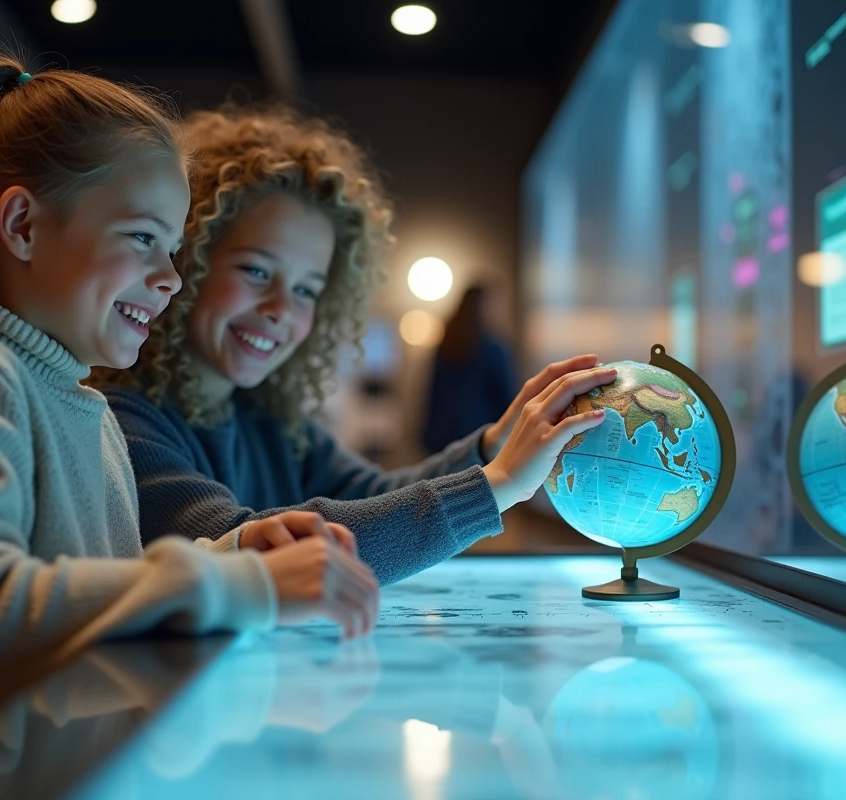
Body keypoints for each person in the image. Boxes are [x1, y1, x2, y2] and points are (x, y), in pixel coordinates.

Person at [0, 58, 377, 796]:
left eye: (174, 250)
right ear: (23, 225)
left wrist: (236, 545)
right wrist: (232, 579)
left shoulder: (80, 404)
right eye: (143, 239)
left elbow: (87, 609)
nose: (170, 278)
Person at [94, 105, 615, 585]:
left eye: (306, 290)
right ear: (186, 259)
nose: (281, 308)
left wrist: (492, 446)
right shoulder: (122, 424)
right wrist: (497, 484)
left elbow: (372, 497)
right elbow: (249, 545)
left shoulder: (269, 422)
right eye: (255, 270)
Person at [423, 284, 518, 455]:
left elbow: (433, 393)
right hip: (480, 437)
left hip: (442, 435)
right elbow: (505, 396)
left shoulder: (446, 344)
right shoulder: (493, 347)